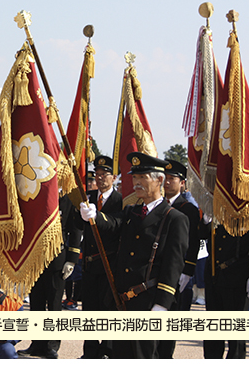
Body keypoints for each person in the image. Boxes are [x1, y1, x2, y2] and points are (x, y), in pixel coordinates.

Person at [80, 152, 189, 359]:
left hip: (147, 300)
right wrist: (94, 215)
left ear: (159, 180)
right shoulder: (132, 212)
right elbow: (113, 223)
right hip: (123, 300)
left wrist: (162, 303)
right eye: (135, 178)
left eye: (142, 178)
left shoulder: (174, 218)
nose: (136, 183)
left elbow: (173, 265)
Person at [18, 193, 81, 359]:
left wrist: (72, 259)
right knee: (37, 302)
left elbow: (74, 230)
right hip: (35, 256)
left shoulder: (68, 198)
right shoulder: (37, 193)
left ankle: (51, 345)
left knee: (54, 304)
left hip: (56, 257)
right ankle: (37, 344)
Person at [74, 155, 123, 358]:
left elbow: (116, 225)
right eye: (98, 175)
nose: (101, 179)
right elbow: (77, 226)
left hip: (109, 263)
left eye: (105, 175)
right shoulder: (90, 197)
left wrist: (98, 217)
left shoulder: (120, 200)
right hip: (90, 263)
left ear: (114, 178)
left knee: (108, 308)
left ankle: (108, 349)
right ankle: (90, 350)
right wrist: (81, 214)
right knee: (90, 309)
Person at [199, 211, 249, 358]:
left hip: (237, 276)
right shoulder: (217, 210)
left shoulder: (248, 211)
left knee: (235, 333)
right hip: (215, 275)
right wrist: (206, 221)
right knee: (214, 329)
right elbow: (202, 235)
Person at [156, 158, 202, 358]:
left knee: (171, 318)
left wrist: (188, 270)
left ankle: (166, 356)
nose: (167, 182)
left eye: (172, 178)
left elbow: (192, 242)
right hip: (156, 269)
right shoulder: (157, 205)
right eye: (165, 177)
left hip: (177, 271)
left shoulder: (188, 209)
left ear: (182, 183)